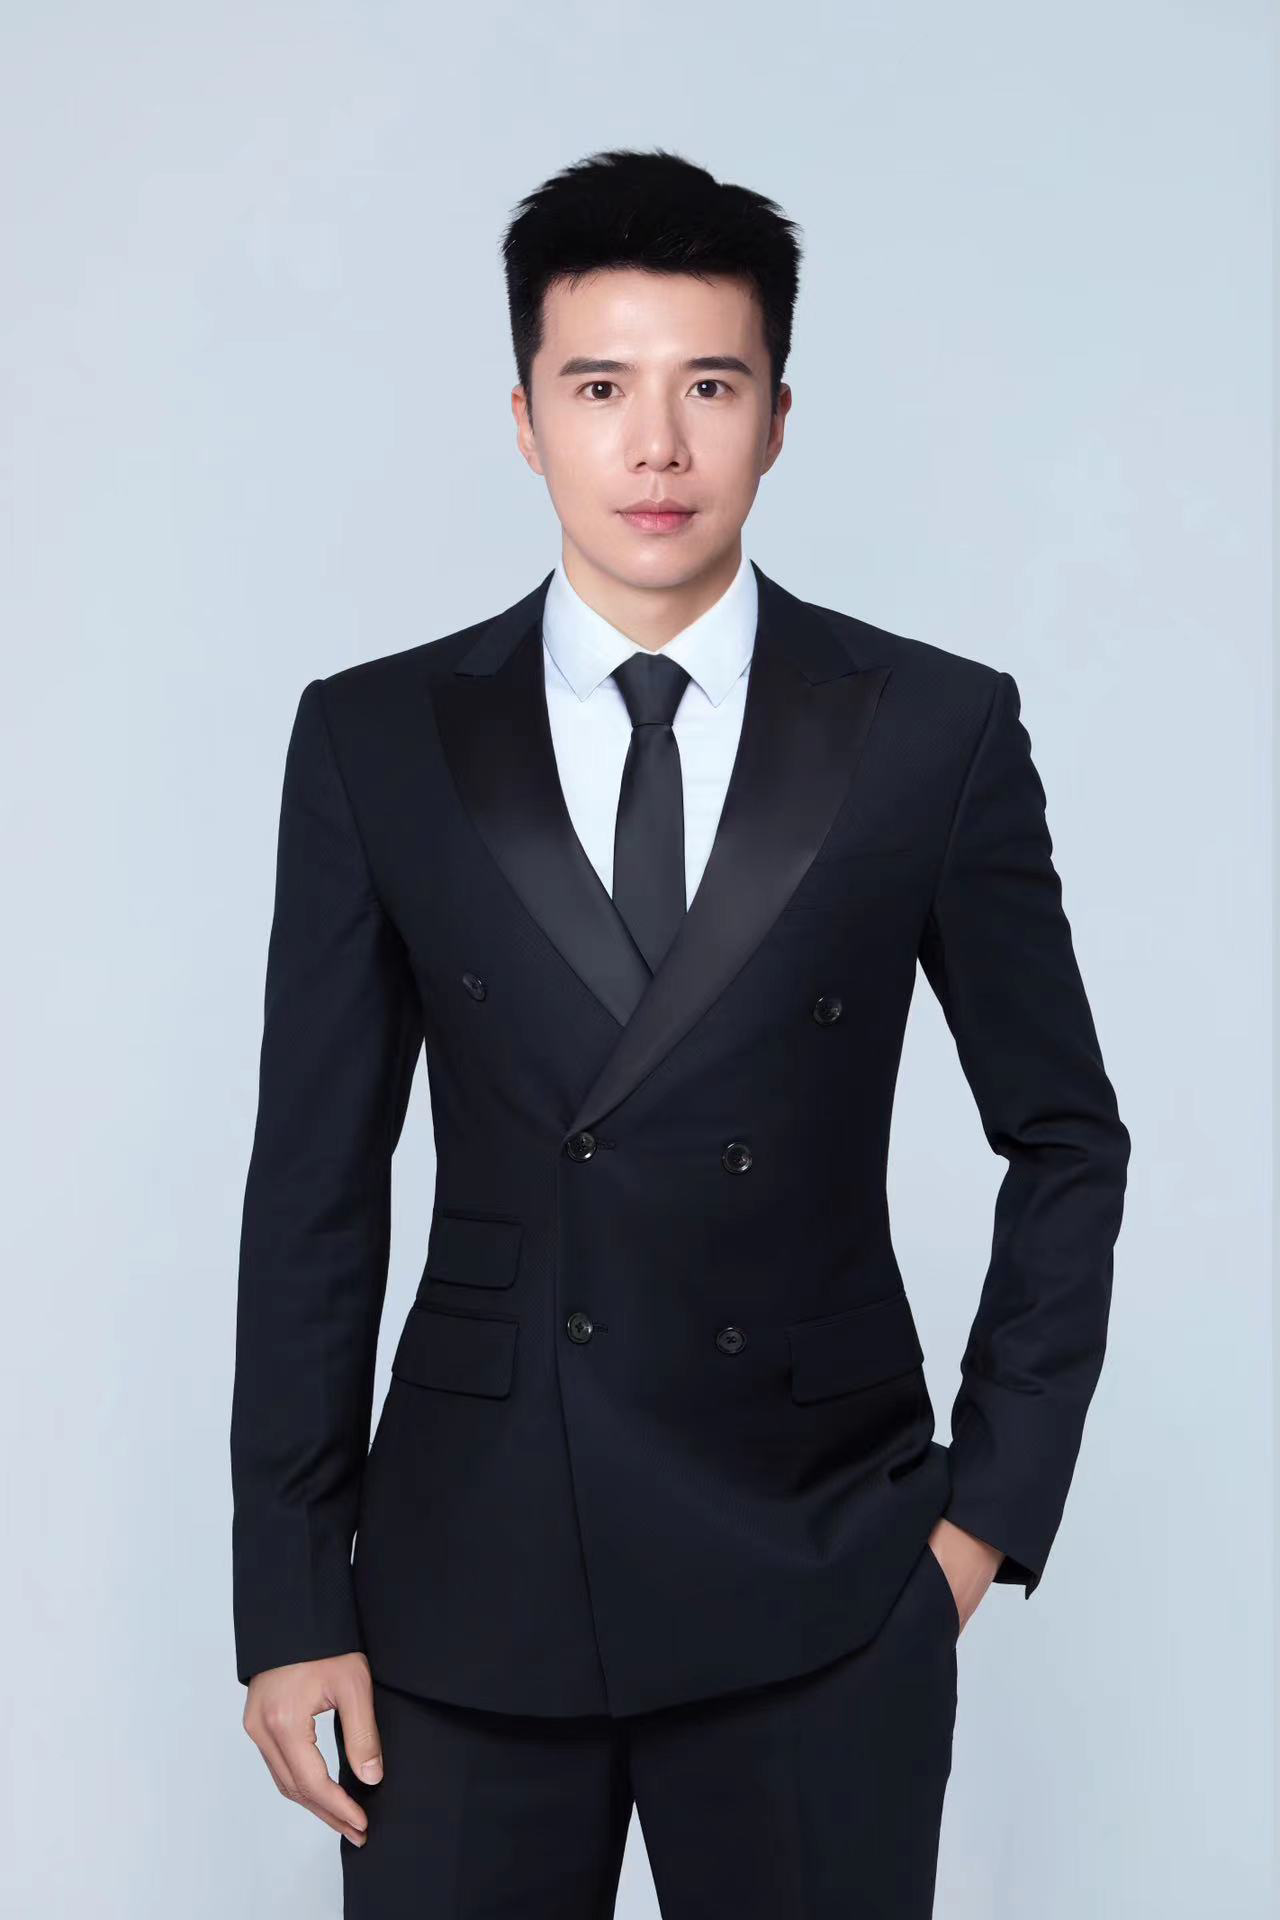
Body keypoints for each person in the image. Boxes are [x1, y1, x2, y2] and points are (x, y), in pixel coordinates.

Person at [231, 146, 1130, 1917]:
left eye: (709, 388)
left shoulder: (931, 731)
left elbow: (1065, 1137)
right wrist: (288, 1591)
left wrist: (977, 1528)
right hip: (463, 1587)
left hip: (820, 1571)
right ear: (524, 420)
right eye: (600, 389)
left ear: (778, 417)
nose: (656, 446)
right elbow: (314, 1190)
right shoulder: (375, 738)